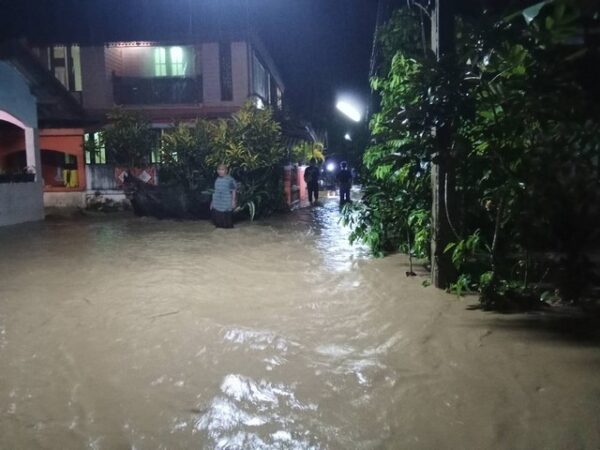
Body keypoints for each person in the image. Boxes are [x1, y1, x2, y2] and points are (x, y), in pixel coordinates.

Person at [210, 163, 237, 228]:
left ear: (226, 170)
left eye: (222, 169)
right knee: (218, 224)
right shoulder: (217, 179)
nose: (220, 171)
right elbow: (215, 192)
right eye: (219, 169)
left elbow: (233, 190)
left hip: (226, 202)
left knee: (228, 223)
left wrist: (233, 201)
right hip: (217, 203)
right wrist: (212, 202)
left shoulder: (230, 179)